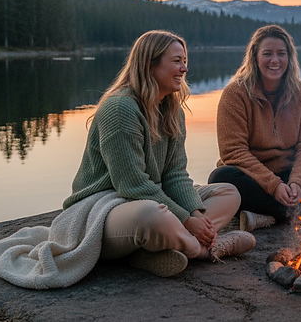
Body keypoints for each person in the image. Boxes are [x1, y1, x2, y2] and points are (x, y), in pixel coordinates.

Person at [64, 30, 255, 277]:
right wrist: (187, 220)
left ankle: (154, 251)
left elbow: (175, 175)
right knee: (151, 215)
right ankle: (206, 250)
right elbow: (132, 186)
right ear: (149, 65)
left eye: (185, 61)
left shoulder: (173, 111)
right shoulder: (120, 109)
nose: (184, 68)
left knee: (228, 192)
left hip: (152, 200)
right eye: (177, 61)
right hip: (103, 210)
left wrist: (196, 214)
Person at [209, 25, 301, 231]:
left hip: (290, 175)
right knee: (220, 178)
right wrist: (274, 186)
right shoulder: (235, 93)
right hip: (252, 179)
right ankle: (297, 212)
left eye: (281, 54)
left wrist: (298, 184)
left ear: (289, 58)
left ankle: (269, 215)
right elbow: (233, 152)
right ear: (255, 57)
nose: (274, 60)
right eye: (267, 54)